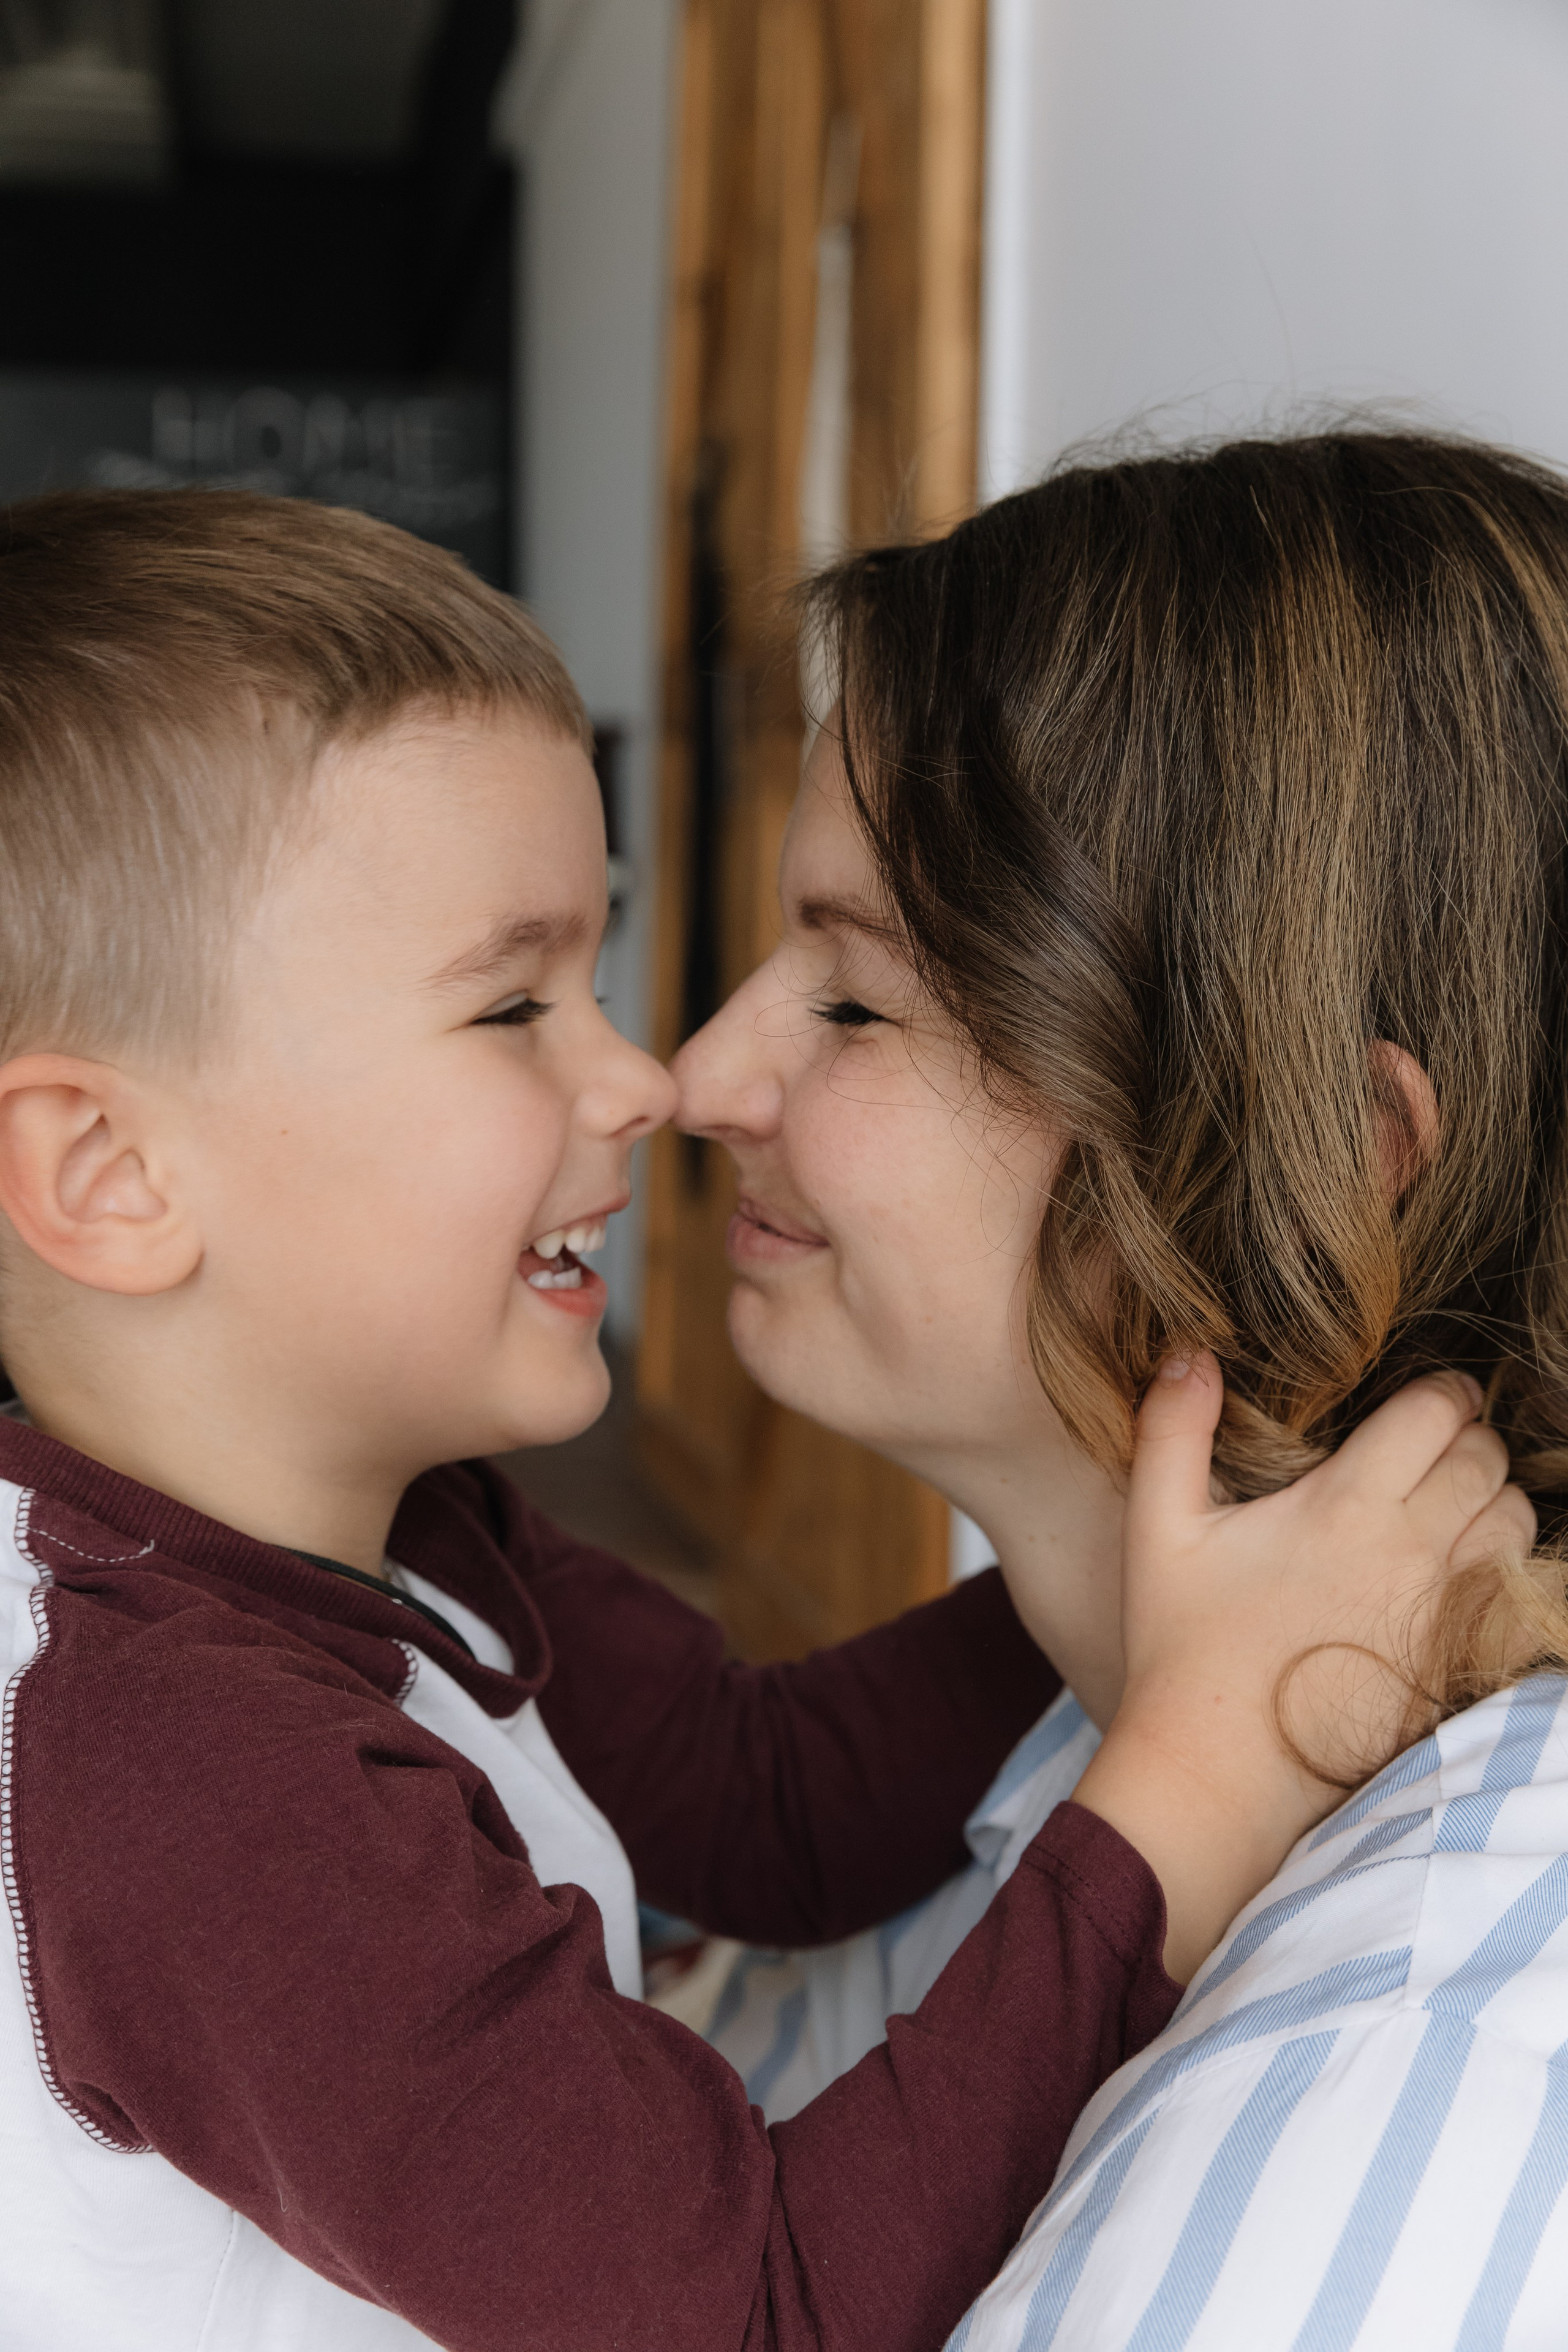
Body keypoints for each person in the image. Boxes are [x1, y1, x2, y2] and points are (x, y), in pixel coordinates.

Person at [0, 488, 1515, 2352]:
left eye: (598, 978)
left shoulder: (406, 1531)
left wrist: (1182, 1575)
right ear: (113, 1174)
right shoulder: (180, 1777)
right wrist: (1197, 1772)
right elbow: (758, 2317)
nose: (654, 1075)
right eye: (511, 1009)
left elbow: (771, 1804)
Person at [672, 427, 1568, 2347]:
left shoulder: (1420, 2045)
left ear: (1306, 1153)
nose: (699, 1079)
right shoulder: (1070, 1734)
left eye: (855, 1001)